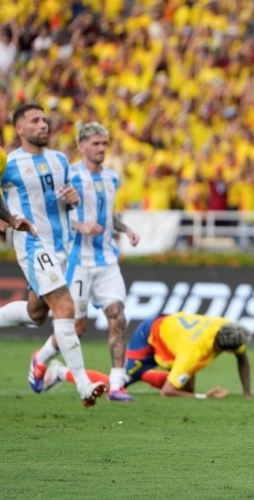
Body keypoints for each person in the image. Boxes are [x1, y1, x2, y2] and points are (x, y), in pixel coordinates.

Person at [0, 104, 105, 407]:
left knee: (37, 314)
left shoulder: (60, 160)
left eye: (44, 119)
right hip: (33, 245)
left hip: (64, 248)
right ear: (19, 129)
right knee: (65, 308)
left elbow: (66, 198)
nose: (43, 125)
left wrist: (73, 199)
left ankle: (40, 359)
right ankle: (83, 384)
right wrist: (9, 219)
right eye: (35, 121)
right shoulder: (9, 164)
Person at [67, 122, 141, 402]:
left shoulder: (111, 178)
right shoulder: (70, 175)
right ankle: (43, 363)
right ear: (82, 146)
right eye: (95, 144)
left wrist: (126, 229)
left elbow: (109, 215)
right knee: (76, 328)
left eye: (103, 144)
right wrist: (80, 225)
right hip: (79, 260)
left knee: (117, 316)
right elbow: (55, 216)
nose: (101, 149)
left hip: (107, 259)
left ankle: (117, 384)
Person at [43, 312, 252, 400]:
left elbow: (243, 358)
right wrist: (204, 397)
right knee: (112, 386)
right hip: (150, 337)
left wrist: (247, 394)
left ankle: (140, 374)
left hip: (173, 335)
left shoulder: (226, 328)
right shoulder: (193, 352)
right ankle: (60, 372)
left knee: (185, 387)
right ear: (226, 349)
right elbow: (167, 392)